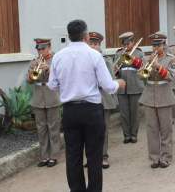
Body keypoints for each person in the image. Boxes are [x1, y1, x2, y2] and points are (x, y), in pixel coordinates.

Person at [48, 20, 125, 192]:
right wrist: (119, 83)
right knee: (94, 157)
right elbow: (108, 86)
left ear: (69, 36)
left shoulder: (59, 56)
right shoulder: (94, 55)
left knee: (73, 156)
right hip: (91, 111)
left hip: (70, 111)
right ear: (86, 35)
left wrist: (68, 86)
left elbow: (52, 85)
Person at [138, 32, 175, 169]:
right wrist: (144, 68)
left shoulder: (171, 59)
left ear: (164, 45)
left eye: (158, 45)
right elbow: (142, 77)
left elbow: (171, 76)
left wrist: (158, 66)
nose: (155, 48)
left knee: (165, 129)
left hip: (165, 96)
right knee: (152, 129)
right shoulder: (146, 58)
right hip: (149, 96)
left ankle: (166, 157)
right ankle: (154, 158)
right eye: (153, 45)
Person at [27, 38, 61, 168]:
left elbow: (61, 76)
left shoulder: (56, 60)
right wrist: (32, 74)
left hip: (52, 96)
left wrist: (49, 69)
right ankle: (44, 156)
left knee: (53, 128)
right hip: (38, 98)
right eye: (38, 49)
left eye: (43, 48)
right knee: (41, 129)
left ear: (49, 47)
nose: (41, 51)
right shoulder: (35, 62)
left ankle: (54, 156)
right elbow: (29, 79)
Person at [87, 32, 118, 169]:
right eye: (91, 44)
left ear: (100, 46)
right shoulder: (84, 59)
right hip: (88, 100)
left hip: (103, 99)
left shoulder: (105, 59)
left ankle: (103, 157)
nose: (93, 46)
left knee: (102, 130)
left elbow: (110, 79)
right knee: (87, 131)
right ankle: (91, 158)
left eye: (96, 44)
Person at [114, 32, 144, 144]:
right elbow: (115, 70)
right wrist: (116, 71)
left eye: (129, 43)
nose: (127, 46)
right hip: (122, 87)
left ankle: (134, 134)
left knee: (134, 112)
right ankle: (126, 135)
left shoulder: (138, 53)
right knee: (124, 113)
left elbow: (143, 67)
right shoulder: (119, 53)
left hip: (135, 85)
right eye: (125, 44)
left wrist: (132, 60)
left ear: (133, 42)